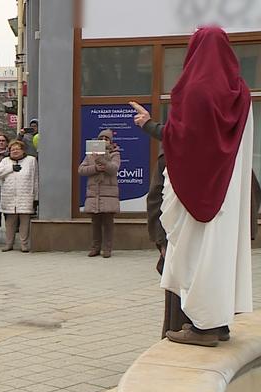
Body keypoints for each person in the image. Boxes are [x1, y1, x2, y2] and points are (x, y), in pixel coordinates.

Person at [130, 27, 253, 347]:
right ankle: (219, 321)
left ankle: (202, 326)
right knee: (218, 255)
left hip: (195, 192)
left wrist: (148, 125)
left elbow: (182, 139)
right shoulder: (240, 92)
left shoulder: (194, 89)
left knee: (193, 255)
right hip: (225, 191)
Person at [78, 129, 121, 258]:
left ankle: (107, 249)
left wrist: (102, 160)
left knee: (108, 223)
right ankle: (95, 248)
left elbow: (114, 169)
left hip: (109, 194)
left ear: (110, 141)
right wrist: (95, 168)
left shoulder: (115, 153)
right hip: (94, 194)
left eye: (106, 139)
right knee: (95, 223)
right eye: (101, 138)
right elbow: (81, 170)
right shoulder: (90, 154)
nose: (103, 141)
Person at [0, 140, 38, 253]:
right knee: (10, 222)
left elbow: (35, 179)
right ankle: (9, 244)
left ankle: (24, 244)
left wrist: (36, 197)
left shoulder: (31, 161)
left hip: (25, 195)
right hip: (9, 197)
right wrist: (11, 169)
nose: (15, 151)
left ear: (23, 150)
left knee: (25, 221)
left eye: (17, 149)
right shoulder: (5, 161)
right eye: (12, 149)